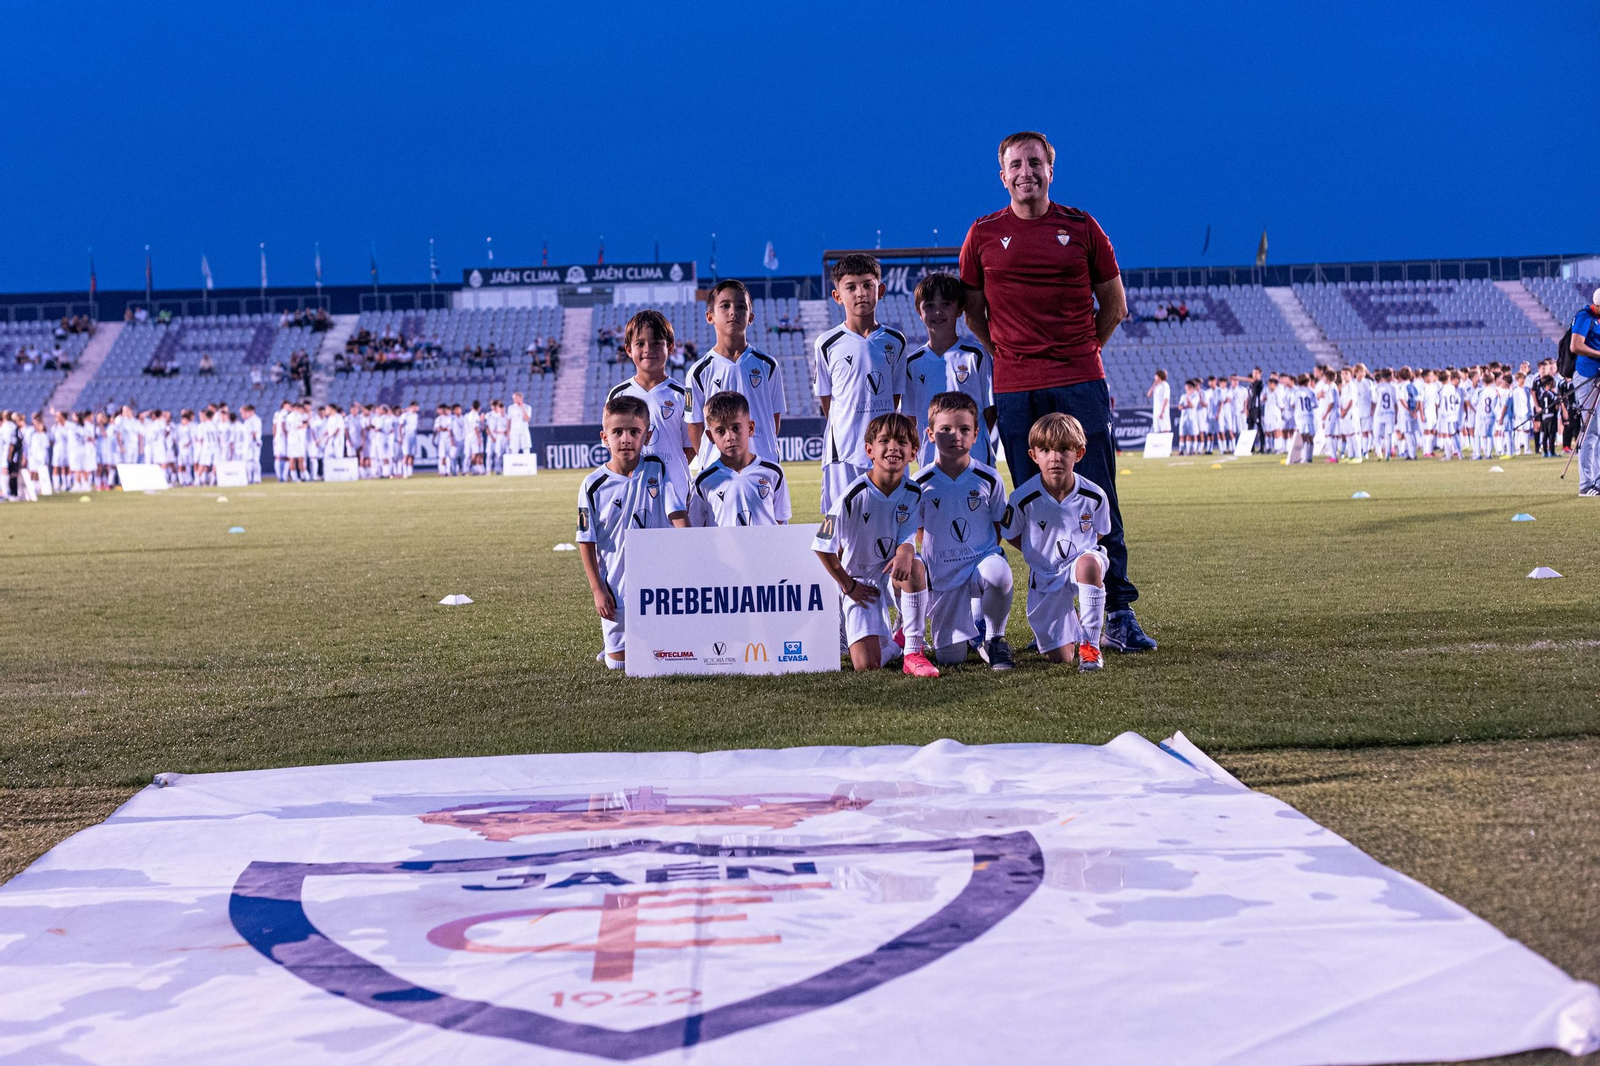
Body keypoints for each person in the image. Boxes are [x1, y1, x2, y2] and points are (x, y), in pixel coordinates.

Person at [959, 132, 1153, 653]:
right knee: (1032, 505)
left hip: (1079, 381)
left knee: (1098, 495)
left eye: (1035, 162)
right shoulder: (982, 234)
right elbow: (975, 314)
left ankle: (1117, 611)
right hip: (1018, 388)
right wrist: (1010, 355)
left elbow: (1115, 305)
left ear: (1051, 168)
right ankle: (1054, 620)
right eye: (1016, 164)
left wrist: (1081, 352)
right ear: (1002, 175)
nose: (1026, 172)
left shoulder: (1082, 227)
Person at [811, 412, 939, 677]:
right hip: (861, 583)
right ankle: (897, 643)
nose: (893, 447)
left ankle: (913, 651)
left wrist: (906, 550)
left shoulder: (913, 491)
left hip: (891, 576)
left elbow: (906, 534)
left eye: (902, 442)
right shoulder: (854, 495)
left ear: (913, 452)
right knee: (866, 666)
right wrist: (848, 585)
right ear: (870, 450)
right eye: (885, 441)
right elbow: (822, 545)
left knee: (916, 567)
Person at [576, 395, 689, 670]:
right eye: (617, 432)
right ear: (605, 438)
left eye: (634, 432)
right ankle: (612, 648)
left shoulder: (656, 468)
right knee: (618, 666)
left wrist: (690, 551)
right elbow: (586, 541)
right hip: (615, 586)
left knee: (665, 657)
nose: (626, 439)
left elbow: (677, 514)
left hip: (657, 583)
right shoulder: (592, 485)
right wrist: (598, 590)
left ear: (647, 436)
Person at [999, 413, 1111, 672]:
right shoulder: (1022, 498)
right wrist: (1036, 551)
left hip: (1079, 564)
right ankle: (1072, 622)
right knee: (1060, 657)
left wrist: (1082, 554)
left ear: (1079, 454)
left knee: (1088, 564)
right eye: (1046, 450)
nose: (1055, 458)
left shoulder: (1095, 495)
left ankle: (1091, 646)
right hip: (1045, 574)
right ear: (1033, 455)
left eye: (1064, 449)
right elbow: (1010, 533)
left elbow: (1100, 532)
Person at [911, 391, 1013, 669]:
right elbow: (917, 530)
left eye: (964, 429)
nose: (955, 435)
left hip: (979, 564)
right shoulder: (919, 482)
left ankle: (995, 639)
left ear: (976, 434)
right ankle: (971, 630)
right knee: (950, 658)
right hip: (943, 574)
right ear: (930, 434)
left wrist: (981, 552)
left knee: (998, 572)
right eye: (945, 429)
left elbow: (998, 526)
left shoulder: (989, 478)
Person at [814, 254, 905, 511]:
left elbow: (895, 396)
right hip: (842, 452)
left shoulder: (895, 341)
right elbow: (826, 399)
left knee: (889, 519)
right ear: (837, 296)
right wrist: (849, 426)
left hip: (886, 448)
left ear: (880, 290)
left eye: (867, 285)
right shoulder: (826, 343)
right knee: (841, 521)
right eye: (851, 287)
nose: (861, 293)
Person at [901, 272, 997, 470]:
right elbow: (911, 418)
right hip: (931, 462)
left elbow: (990, 411)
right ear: (919, 312)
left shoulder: (976, 355)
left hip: (976, 460)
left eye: (945, 304)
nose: (937, 312)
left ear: (960, 309)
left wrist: (972, 440)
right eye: (929, 306)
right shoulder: (912, 363)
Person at [687, 279, 785, 468]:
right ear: (710, 316)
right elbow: (694, 425)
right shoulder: (697, 372)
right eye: (725, 305)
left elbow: (774, 421)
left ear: (751, 317)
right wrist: (710, 459)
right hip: (717, 472)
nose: (733, 312)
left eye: (741, 306)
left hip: (763, 467)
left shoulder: (768, 365)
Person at [608, 309, 693, 503]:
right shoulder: (618, 395)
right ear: (628, 349)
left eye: (656, 343)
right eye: (640, 343)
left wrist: (668, 471)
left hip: (676, 492)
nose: (648, 349)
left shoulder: (683, 395)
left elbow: (691, 446)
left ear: (670, 347)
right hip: (632, 492)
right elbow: (613, 446)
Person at [687, 392, 791, 527]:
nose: (730, 437)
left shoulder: (773, 472)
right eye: (720, 431)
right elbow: (695, 529)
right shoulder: (703, 482)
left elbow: (780, 520)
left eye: (736, 428)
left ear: (751, 428)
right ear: (710, 436)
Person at [508, 392, 533, 459]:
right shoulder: (511, 408)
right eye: (514, 398)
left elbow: (527, 419)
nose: (514, 400)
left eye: (516, 398)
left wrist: (522, 407)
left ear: (521, 398)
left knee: (526, 448)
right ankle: (514, 464)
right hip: (514, 430)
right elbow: (509, 421)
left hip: (524, 429)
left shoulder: (527, 407)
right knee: (514, 449)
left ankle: (527, 464)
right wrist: (508, 432)